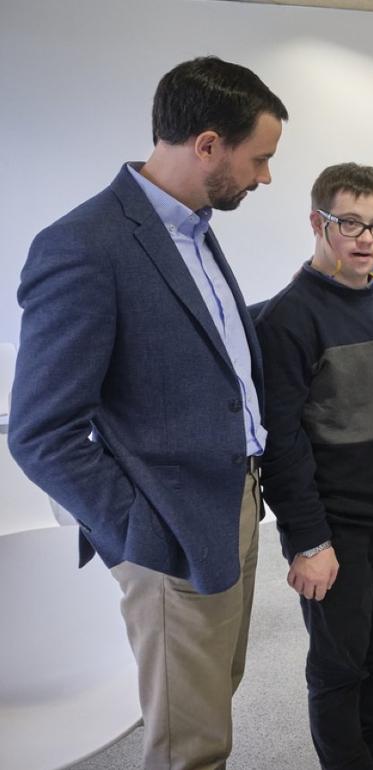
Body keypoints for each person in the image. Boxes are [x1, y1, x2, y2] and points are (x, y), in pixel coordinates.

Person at [6, 56, 285, 769]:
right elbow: (42, 431)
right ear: (208, 145)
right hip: (170, 528)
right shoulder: (84, 246)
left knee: (216, 695)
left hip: (237, 502)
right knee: (189, 742)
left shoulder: (192, 228)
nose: (265, 178)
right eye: (260, 160)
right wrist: (138, 531)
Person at [256, 163, 373, 770]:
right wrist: (308, 540)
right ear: (318, 222)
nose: (366, 239)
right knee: (339, 665)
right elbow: (281, 443)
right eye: (351, 225)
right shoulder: (288, 319)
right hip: (340, 531)